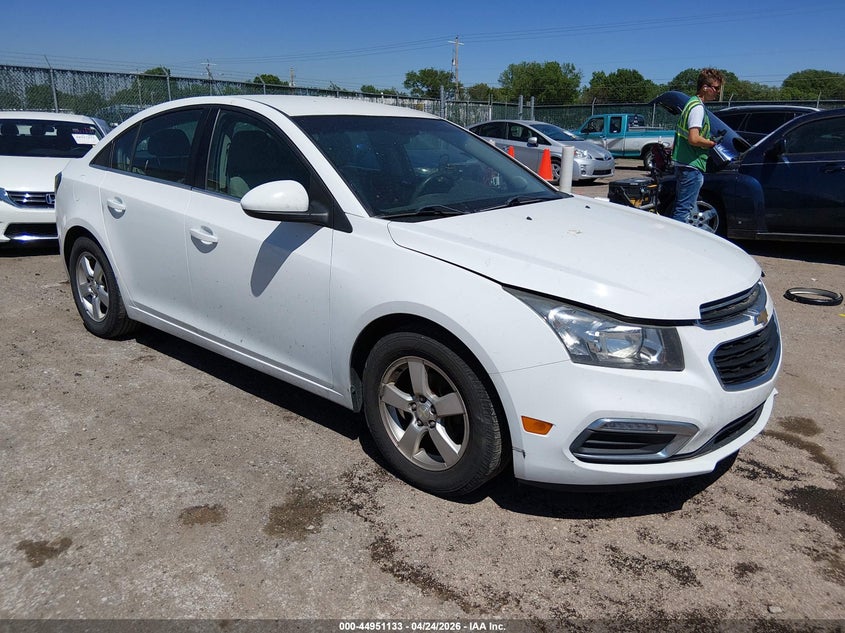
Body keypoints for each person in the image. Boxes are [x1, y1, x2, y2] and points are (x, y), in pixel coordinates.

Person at [671, 68, 724, 224]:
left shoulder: (691, 103)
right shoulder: (697, 108)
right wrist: (711, 143)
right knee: (683, 211)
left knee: (681, 208)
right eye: (715, 88)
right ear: (705, 87)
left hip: (684, 163)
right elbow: (693, 139)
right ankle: (677, 243)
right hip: (691, 166)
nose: (717, 92)